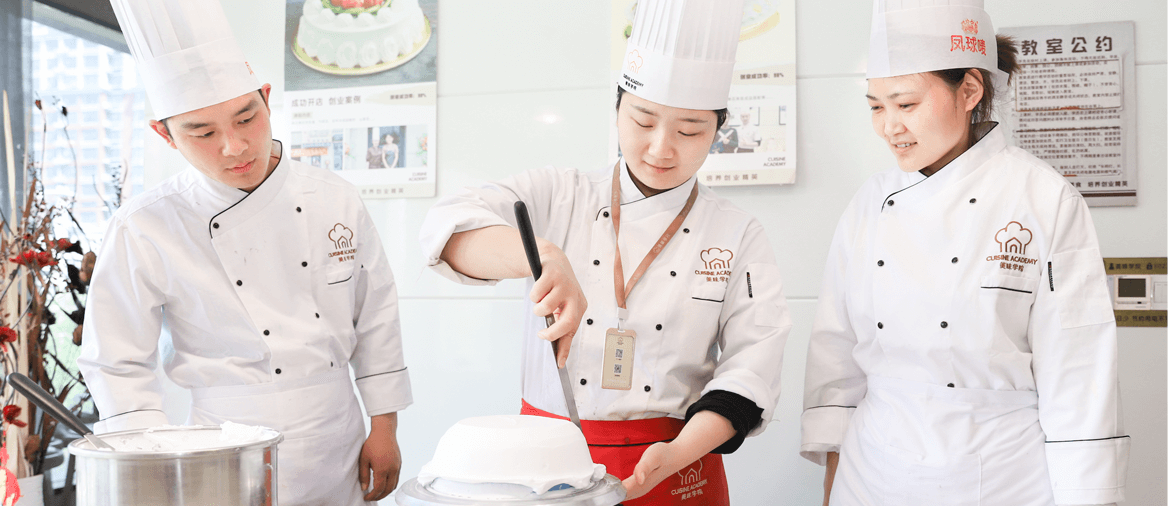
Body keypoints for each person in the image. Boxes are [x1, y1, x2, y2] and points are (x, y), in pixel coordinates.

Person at [418, 1, 790, 504]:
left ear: (717, 130)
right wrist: (541, 255)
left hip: (679, 464)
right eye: (643, 120)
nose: (660, 148)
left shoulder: (737, 232)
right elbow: (446, 227)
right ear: (617, 110)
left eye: (689, 131)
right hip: (548, 464)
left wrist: (676, 454)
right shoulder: (558, 193)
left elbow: (753, 368)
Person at [77, 0, 413, 504]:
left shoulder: (335, 198)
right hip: (219, 448)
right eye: (203, 132)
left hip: (336, 436)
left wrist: (384, 427)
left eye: (246, 118)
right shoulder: (145, 224)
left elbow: (376, 317)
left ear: (267, 100)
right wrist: (149, 459)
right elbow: (116, 360)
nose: (234, 147)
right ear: (164, 134)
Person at [799, 2, 1128, 505]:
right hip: (872, 472)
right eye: (876, 107)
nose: (889, 127)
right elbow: (835, 352)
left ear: (970, 91)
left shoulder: (1043, 198)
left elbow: (1079, 369)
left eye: (906, 104)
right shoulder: (870, 202)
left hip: (1002, 477)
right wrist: (833, 476)